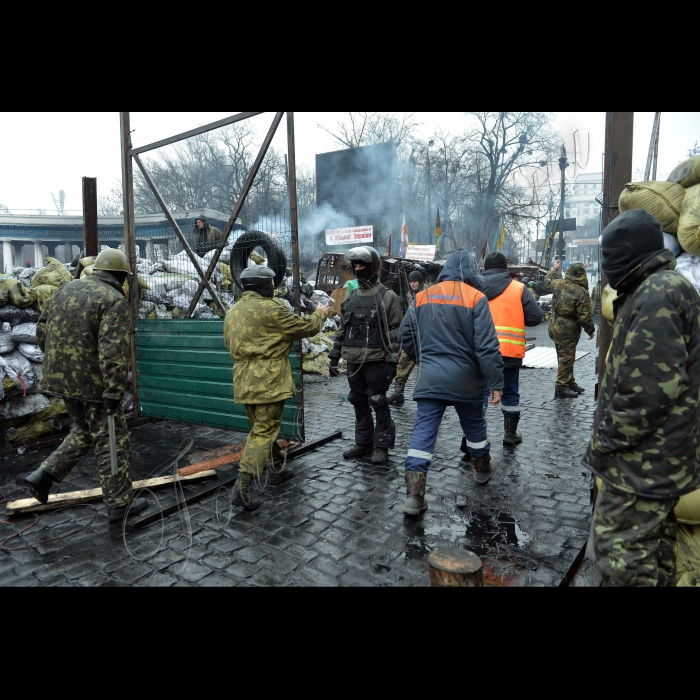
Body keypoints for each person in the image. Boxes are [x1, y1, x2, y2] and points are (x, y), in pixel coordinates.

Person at [584, 209, 700, 586]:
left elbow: (646, 394)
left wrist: (603, 443)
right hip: (656, 461)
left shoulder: (657, 294)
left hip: (642, 466)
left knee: (624, 560)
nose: (605, 267)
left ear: (628, 253)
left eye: (609, 257)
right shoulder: (659, 288)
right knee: (654, 559)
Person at [17, 249, 148, 524]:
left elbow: (41, 332)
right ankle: (119, 504)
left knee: (87, 432)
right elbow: (113, 352)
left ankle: (43, 476)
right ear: (121, 276)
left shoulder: (64, 291)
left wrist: (59, 366)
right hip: (93, 385)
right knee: (113, 440)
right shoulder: (114, 300)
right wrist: (113, 391)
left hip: (60, 380)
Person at [398, 250, 504, 516]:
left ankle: (414, 496)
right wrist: (495, 382)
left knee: (423, 432)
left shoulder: (422, 296)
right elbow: (487, 346)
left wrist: (425, 361)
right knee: (474, 426)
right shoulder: (476, 298)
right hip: (467, 381)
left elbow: (405, 335)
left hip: (430, 379)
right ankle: (482, 469)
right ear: (471, 271)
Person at [224, 265, 330, 511]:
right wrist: (322, 313)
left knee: (261, 427)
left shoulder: (233, 312)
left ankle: (276, 467)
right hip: (269, 380)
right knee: (264, 431)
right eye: (271, 284)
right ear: (265, 286)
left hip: (243, 379)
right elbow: (307, 329)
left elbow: (229, 343)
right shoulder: (273, 310)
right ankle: (242, 485)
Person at [328, 246, 402, 465]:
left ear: (374, 269)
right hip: (354, 360)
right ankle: (363, 443)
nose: (358, 269)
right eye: (355, 266)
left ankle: (382, 446)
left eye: (362, 265)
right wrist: (334, 356)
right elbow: (343, 329)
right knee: (357, 400)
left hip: (377, 361)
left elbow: (396, 333)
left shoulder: (388, 297)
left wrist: (391, 362)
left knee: (378, 401)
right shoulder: (350, 297)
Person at [475, 252, 543, 449]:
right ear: (506, 269)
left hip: (481, 352)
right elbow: (536, 317)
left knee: (480, 393)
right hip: (509, 351)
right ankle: (510, 434)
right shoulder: (518, 288)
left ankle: (474, 435)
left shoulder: (475, 289)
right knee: (511, 391)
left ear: (485, 269)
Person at [544, 259, 595, 397]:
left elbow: (548, 280)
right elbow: (585, 315)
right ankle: (561, 386)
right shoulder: (581, 292)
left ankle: (569, 381)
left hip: (554, 324)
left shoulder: (558, 283)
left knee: (563, 355)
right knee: (566, 357)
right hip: (568, 328)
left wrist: (554, 269)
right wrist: (590, 330)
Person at [387, 270, 429, 405]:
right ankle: (398, 393)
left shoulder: (428, 294)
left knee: (429, 367)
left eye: (415, 281)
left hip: (427, 336)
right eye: (411, 282)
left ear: (420, 281)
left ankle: (432, 397)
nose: (412, 284)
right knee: (404, 361)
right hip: (414, 335)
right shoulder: (412, 294)